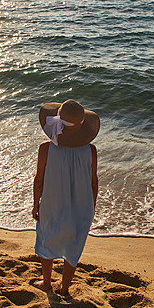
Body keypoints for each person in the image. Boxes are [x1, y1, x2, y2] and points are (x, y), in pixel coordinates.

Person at [32, 99, 100, 296]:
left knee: (47, 239)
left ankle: (46, 283)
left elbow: (39, 181)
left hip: (52, 204)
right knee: (74, 245)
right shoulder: (91, 150)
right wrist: (91, 207)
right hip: (82, 207)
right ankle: (64, 288)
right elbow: (94, 183)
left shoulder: (46, 148)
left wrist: (36, 204)